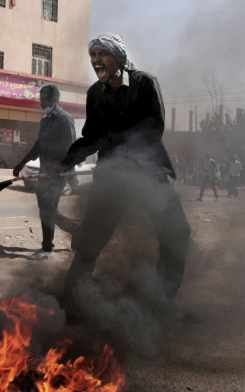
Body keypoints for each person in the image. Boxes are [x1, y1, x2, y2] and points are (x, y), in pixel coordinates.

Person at [48, 34, 191, 321]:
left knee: (177, 234)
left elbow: (153, 128)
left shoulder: (144, 83)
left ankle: (162, 300)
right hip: (112, 178)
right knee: (90, 243)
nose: (96, 60)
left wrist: (110, 138)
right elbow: (91, 137)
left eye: (102, 54)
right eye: (93, 55)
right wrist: (65, 162)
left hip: (149, 174)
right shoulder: (95, 94)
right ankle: (70, 305)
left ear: (119, 58)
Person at [13, 84, 76, 260]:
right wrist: (21, 163)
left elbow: (71, 148)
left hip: (57, 173)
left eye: (44, 100)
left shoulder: (65, 119)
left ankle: (47, 248)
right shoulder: (45, 120)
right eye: (40, 100)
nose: (41, 103)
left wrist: (67, 170)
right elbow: (38, 147)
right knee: (46, 210)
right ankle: (75, 230)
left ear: (54, 100)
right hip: (44, 171)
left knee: (48, 209)